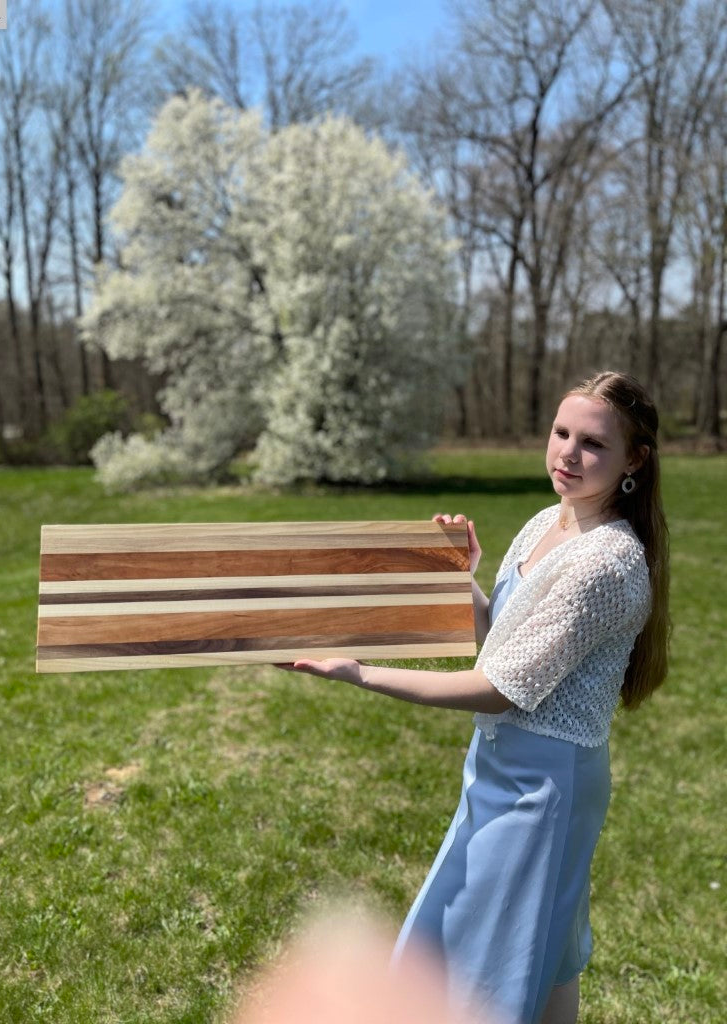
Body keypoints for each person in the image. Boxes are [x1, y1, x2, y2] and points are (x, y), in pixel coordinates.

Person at [285, 371, 670, 1024]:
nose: (568, 454)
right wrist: (460, 578)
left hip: (545, 786)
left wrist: (360, 673)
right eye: (560, 433)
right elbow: (502, 647)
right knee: (537, 957)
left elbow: (498, 690)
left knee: (485, 970)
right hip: (499, 768)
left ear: (635, 459)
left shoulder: (607, 564)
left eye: (593, 445)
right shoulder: (544, 526)